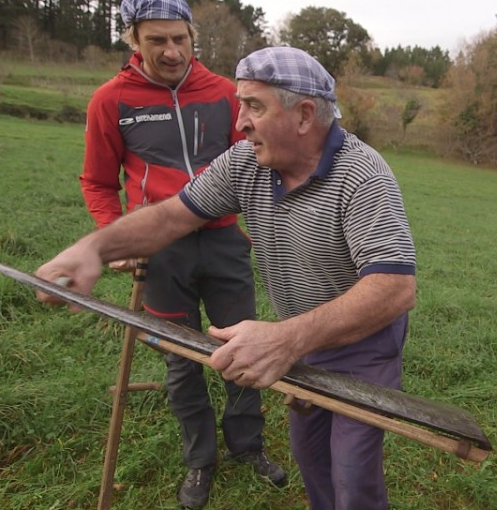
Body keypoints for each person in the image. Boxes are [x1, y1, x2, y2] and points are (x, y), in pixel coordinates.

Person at [37, 46, 417, 510]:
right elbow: (171, 217)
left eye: (254, 106)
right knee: (311, 457)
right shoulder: (246, 164)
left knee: (353, 474)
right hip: (298, 336)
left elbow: (395, 287)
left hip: (360, 346)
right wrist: (92, 248)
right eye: (241, 104)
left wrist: (287, 340)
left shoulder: (362, 175)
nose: (239, 122)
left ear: (303, 115)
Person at [81, 0, 285, 508]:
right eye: (157, 41)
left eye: (180, 38)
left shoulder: (223, 93)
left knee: (242, 347)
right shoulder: (111, 100)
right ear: (132, 39)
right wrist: (116, 235)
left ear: (193, 36)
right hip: (162, 252)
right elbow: (99, 183)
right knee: (179, 358)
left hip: (224, 243)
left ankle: (247, 444)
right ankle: (200, 460)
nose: (171, 52)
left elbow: (254, 164)